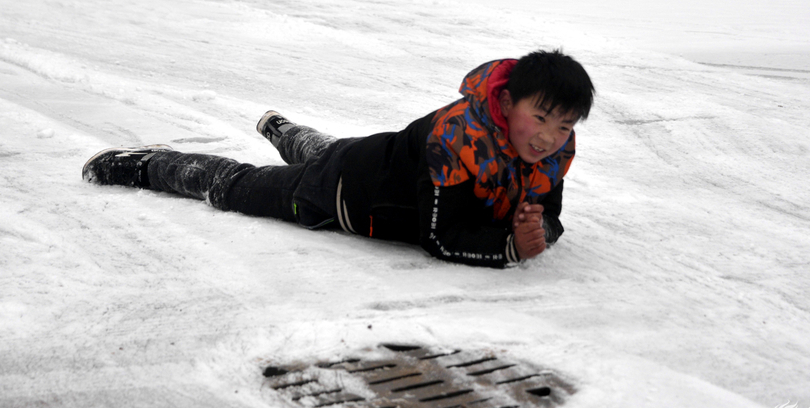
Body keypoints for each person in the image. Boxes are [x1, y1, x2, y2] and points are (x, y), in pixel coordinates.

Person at [82, 49, 595, 268]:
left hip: (373, 157)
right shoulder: (456, 143)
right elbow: (438, 237)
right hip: (341, 192)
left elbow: (548, 216)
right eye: (542, 117)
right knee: (239, 185)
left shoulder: (552, 150)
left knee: (329, 150)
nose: (551, 136)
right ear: (506, 103)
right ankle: (147, 163)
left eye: (565, 124)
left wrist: (539, 230)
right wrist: (511, 248)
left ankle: (281, 128)